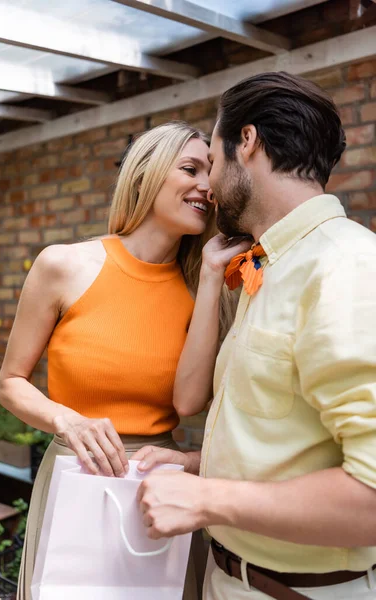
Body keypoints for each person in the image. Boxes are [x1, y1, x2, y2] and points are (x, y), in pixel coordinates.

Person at [134, 72, 376, 600]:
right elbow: (298, 443)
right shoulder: (269, 264)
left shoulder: (346, 268)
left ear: (247, 143)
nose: (210, 186)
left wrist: (206, 498)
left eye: (213, 162)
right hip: (234, 580)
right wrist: (202, 464)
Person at [0, 121, 246, 600]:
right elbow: (10, 382)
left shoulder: (202, 288)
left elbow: (189, 401)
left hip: (160, 483)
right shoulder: (63, 266)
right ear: (144, 176)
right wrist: (67, 420)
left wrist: (213, 278)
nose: (206, 186)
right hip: (77, 471)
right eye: (190, 168)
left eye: (211, 173)